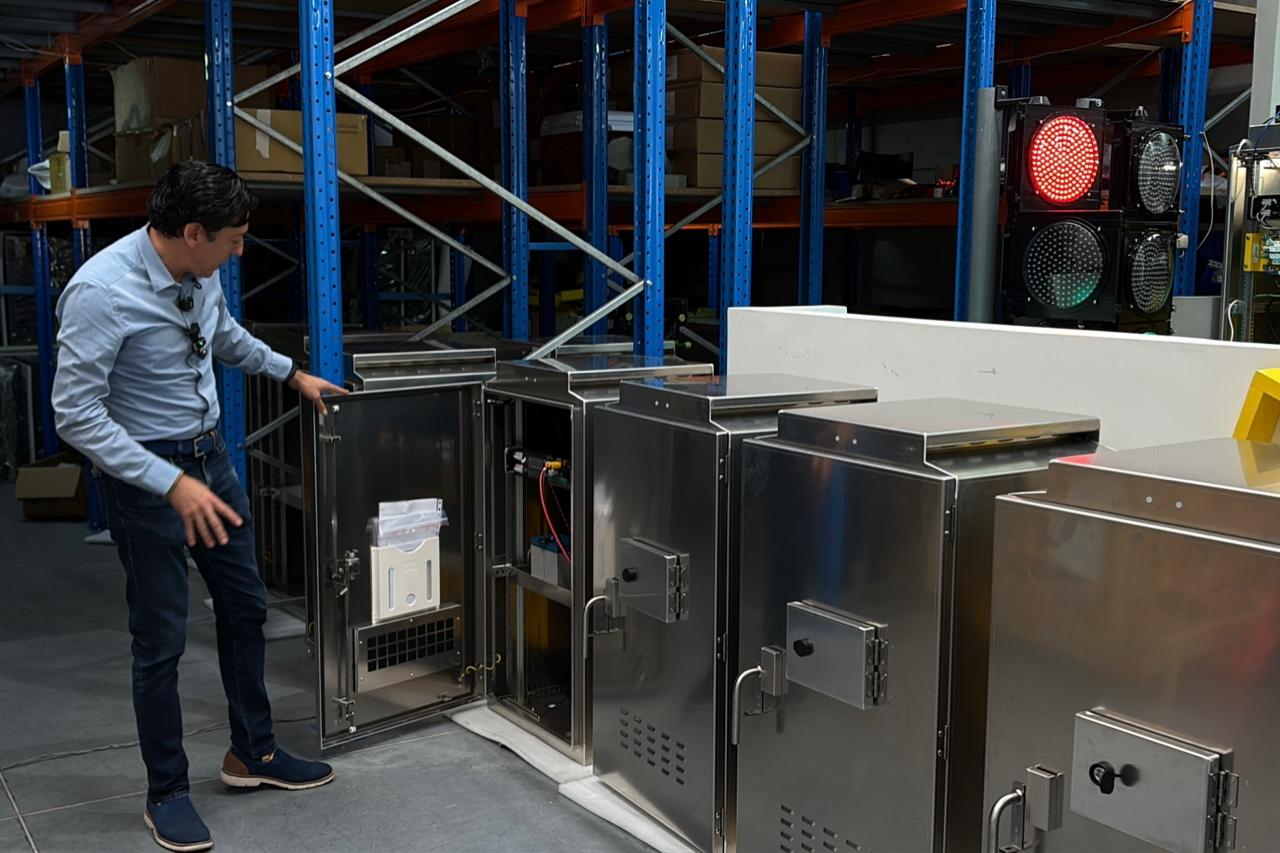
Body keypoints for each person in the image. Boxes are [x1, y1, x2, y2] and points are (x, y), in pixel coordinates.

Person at [51, 161, 348, 852]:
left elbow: (222, 334)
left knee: (246, 608)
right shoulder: (101, 292)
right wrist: (167, 480)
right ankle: (167, 791)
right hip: (146, 478)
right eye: (234, 239)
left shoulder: (198, 270)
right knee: (162, 638)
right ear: (192, 232)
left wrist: (290, 371)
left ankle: (255, 753)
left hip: (210, 459)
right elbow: (74, 415)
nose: (239, 251)